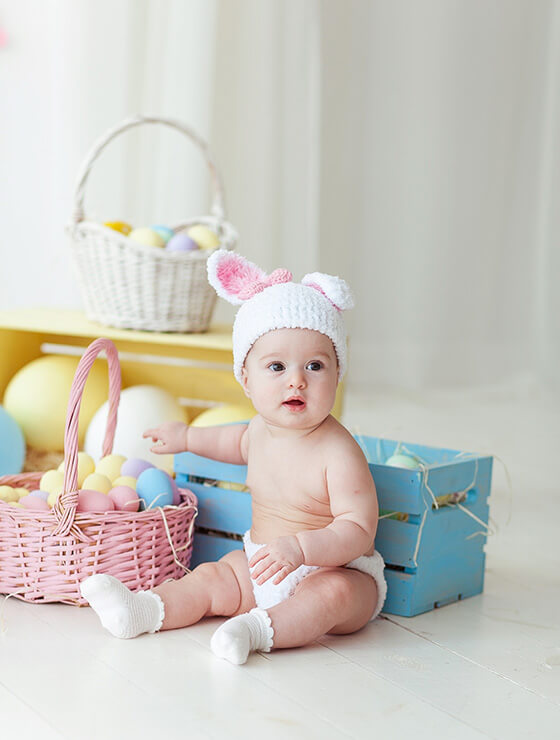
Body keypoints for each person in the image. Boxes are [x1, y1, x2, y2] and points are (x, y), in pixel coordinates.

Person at [80, 249, 387, 665]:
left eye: (315, 366)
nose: (297, 380)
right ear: (246, 379)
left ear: (338, 374)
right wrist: (187, 436)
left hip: (335, 570)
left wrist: (301, 548)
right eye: (276, 367)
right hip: (263, 567)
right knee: (216, 575)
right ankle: (144, 609)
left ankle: (255, 631)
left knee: (331, 595)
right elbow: (230, 441)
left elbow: (358, 530)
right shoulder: (257, 431)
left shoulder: (339, 452)